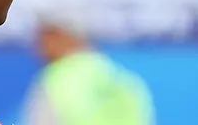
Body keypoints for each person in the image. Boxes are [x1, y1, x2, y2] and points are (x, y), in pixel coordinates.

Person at [19, 15, 155, 125]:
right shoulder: (124, 78)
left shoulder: (58, 78)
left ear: (61, 36)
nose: (37, 48)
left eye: (44, 38)